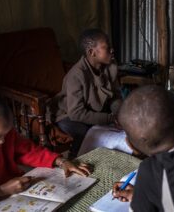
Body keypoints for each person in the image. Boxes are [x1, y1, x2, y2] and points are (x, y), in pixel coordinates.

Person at [0, 91, 91, 211]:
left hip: (18, 192)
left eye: (5, 134)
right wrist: (1, 191)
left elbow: (26, 150)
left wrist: (61, 161)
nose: (2, 142)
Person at [52, 28, 122, 157]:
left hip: (94, 112)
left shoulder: (110, 66)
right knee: (86, 134)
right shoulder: (76, 76)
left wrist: (119, 114)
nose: (112, 50)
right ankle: (74, 161)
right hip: (69, 115)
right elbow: (76, 113)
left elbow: (115, 95)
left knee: (122, 127)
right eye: (107, 47)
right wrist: (109, 118)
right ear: (92, 52)